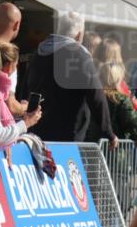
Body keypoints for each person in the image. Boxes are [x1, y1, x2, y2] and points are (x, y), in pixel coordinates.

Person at [27, 11, 117, 146]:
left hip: (38, 128)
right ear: (79, 34)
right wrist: (108, 132)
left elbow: (25, 88)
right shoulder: (79, 55)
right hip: (68, 132)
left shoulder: (39, 52)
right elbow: (96, 95)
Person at [90, 62, 137, 142]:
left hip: (92, 142)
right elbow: (132, 121)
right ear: (119, 78)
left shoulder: (94, 96)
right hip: (117, 145)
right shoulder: (121, 98)